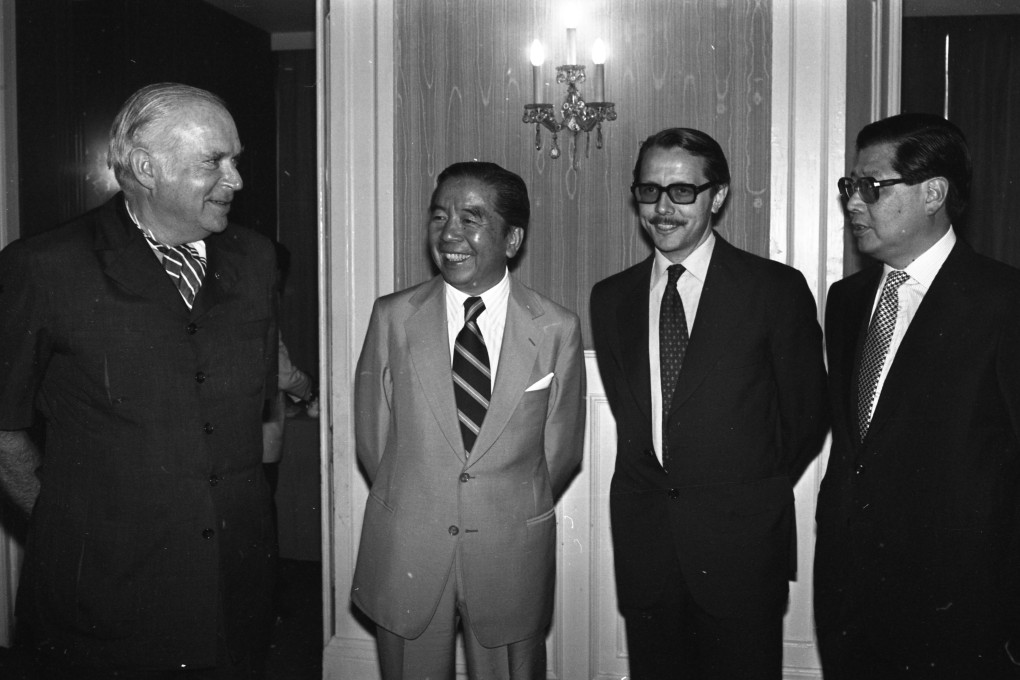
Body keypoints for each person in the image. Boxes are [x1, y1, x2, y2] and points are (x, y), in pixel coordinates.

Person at [0, 83, 278, 678]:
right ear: (147, 169)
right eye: (214, 162)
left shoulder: (255, 261)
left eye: (236, 160)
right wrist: (66, 521)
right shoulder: (45, 267)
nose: (236, 181)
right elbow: (3, 429)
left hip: (235, 582)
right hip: (104, 591)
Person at [590, 127, 829, 679]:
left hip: (740, 548)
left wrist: (741, 487)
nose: (663, 208)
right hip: (647, 549)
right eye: (649, 191)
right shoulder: (611, 298)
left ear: (717, 196)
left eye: (682, 192)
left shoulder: (774, 289)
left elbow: (806, 417)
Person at [351, 161, 585, 680]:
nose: (449, 233)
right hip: (409, 548)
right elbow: (373, 440)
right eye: (439, 217)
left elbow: (560, 453)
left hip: (508, 556)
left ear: (512, 237)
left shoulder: (556, 329)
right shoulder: (392, 317)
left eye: (471, 218)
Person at [814, 112, 1020, 679]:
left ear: (933, 193)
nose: (854, 203)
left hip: (961, 611)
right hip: (850, 599)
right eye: (849, 186)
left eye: (872, 188)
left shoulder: (1003, 302)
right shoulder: (847, 300)